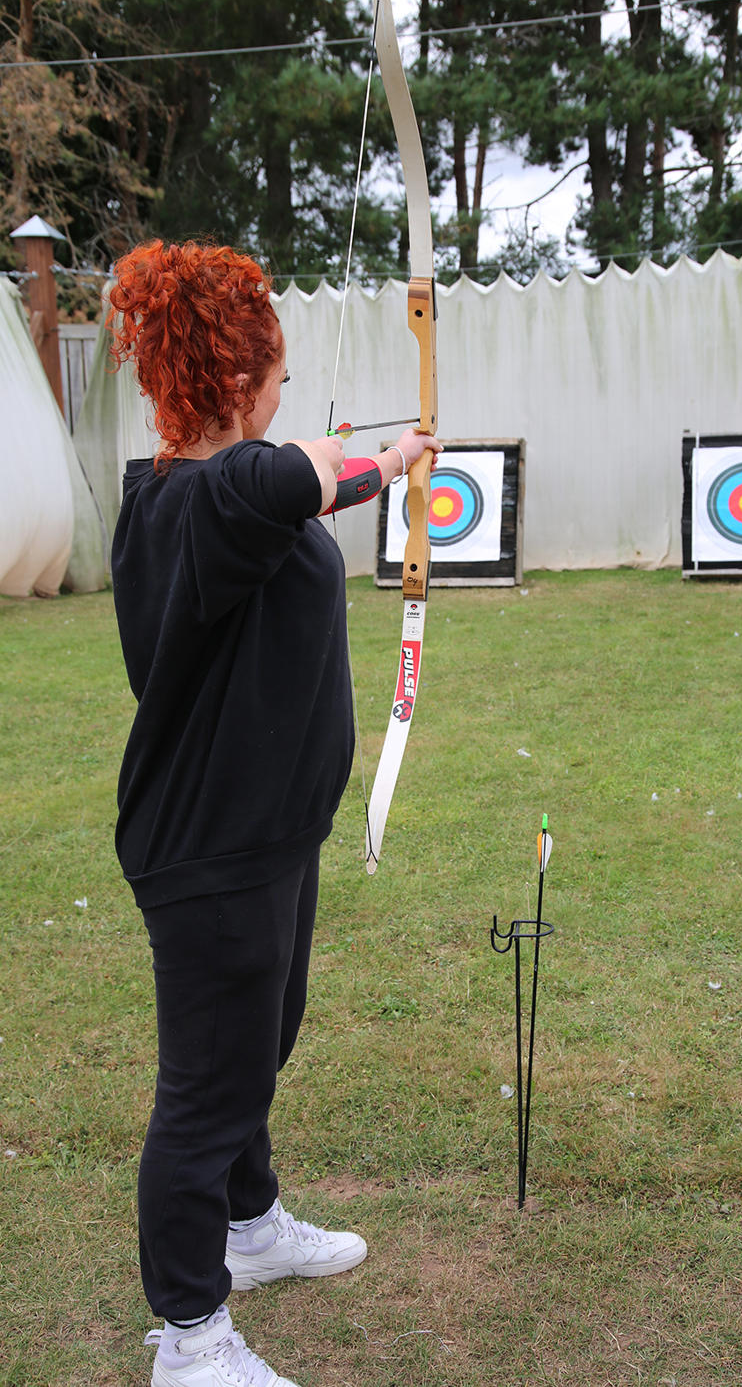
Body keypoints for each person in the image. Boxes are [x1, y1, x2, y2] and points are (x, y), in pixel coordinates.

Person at [107, 238, 442, 1387]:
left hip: (264, 837)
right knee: (204, 1091)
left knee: (256, 1049)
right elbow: (290, 477)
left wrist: (383, 462)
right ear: (236, 378)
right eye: (279, 375)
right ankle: (191, 1340)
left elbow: (296, 481)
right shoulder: (199, 499)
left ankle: (251, 1231)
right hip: (211, 852)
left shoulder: (217, 501)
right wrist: (371, 458)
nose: (287, 393)